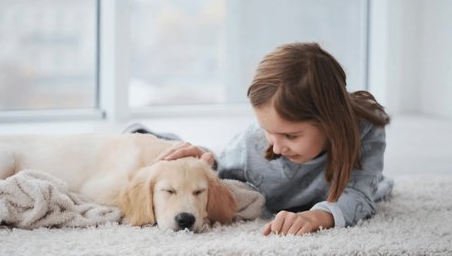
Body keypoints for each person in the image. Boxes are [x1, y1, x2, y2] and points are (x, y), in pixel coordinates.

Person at [132, 42, 394, 236]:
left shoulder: (365, 129)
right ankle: (142, 134)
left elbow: (359, 195)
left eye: (291, 135)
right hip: (251, 178)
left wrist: (317, 217)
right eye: (269, 130)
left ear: (331, 121)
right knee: (203, 158)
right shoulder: (255, 146)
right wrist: (202, 158)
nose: (277, 146)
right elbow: (219, 173)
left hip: (329, 192)